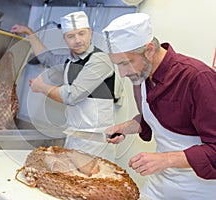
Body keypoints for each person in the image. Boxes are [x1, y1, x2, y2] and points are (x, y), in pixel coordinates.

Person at [102, 12, 216, 199]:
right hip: (159, 185)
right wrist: (126, 127)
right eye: (117, 65)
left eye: (126, 63)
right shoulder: (141, 76)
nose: (122, 74)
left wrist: (167, 159)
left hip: (199, 190)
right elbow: (154, 119)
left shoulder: (197, 79)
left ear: (149, 50)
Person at [11, 11, 117, 161]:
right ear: (65, 39)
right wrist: (29, 33)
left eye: (82, 33)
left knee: (91, 183)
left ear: (90, 33)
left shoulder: (99, 60)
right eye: (71, 36)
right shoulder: (70, 60)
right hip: (75, 137)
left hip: (95, 143)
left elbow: (71, 96)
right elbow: (47, 58)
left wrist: (42, 87)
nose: (77, 40)